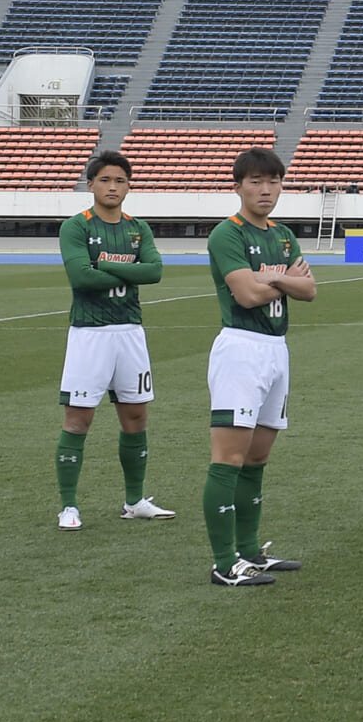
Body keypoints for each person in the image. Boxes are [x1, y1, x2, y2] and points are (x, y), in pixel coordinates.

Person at [201, 148, 315, 587]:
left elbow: (309, 291)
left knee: (258, 457)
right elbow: (246, 296)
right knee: (228, 457)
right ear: (238, 186)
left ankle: (250, 551)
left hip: (276, 348)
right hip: (241, 349)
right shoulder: (226, 235)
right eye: (255, 181)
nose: (266, 189)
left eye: (273, 181)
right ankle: (223, 562)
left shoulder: (283, 235)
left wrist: (271, 278)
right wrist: (286, 280)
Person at [55, 150, 173, 530]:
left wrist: (103, 264)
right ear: (90, 185)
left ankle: (135, 500)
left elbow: (154, 272)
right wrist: (128, 270)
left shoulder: (139, 228)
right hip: (89, 334)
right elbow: (81, 278)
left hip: (130, 332)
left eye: (120, 180)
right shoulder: (76, 227)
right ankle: (69, 506)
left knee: (136, 416)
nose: (112, 186)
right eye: (105, 180)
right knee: (78, 420)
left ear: (128, 186)